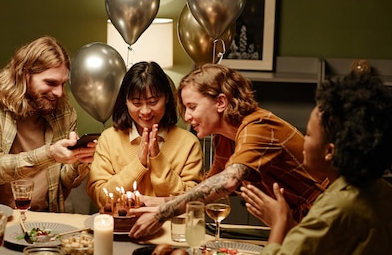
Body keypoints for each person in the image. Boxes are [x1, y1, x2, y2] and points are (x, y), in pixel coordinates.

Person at [241, 72, 392, 255]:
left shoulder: (341, 207)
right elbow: (324, 252)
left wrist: (279, 222)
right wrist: (291, 223)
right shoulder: (381, 190)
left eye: (309, 134)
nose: (303, 140)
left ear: (329, 151)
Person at [129, 63, 334, 239]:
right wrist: (157, 202)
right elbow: (206, 192)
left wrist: (161, 214)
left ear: (221, 102)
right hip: (298, 226)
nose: (187, 117)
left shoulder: (258, 126)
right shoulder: (225, 138)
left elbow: (226, 182)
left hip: (327, 219)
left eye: (192, 106)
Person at [0, 36, 96, 212]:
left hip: (46, 220)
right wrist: (50, 153)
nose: (59, 92)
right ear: (25, 75)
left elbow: (66, 181)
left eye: (63, 84)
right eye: (50, 83)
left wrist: (78, 161)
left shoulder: (64, 112)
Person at [86, 61, 203, 208]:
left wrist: (157, 160)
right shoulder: (109, 139)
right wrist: (138, 164)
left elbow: (191, 202)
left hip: (170, 228)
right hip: (120, 227)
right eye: (136, 103)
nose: (145, 111)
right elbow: (100, 196)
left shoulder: (188, 143)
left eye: (153, 102)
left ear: (166, 97)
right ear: (126, 102)